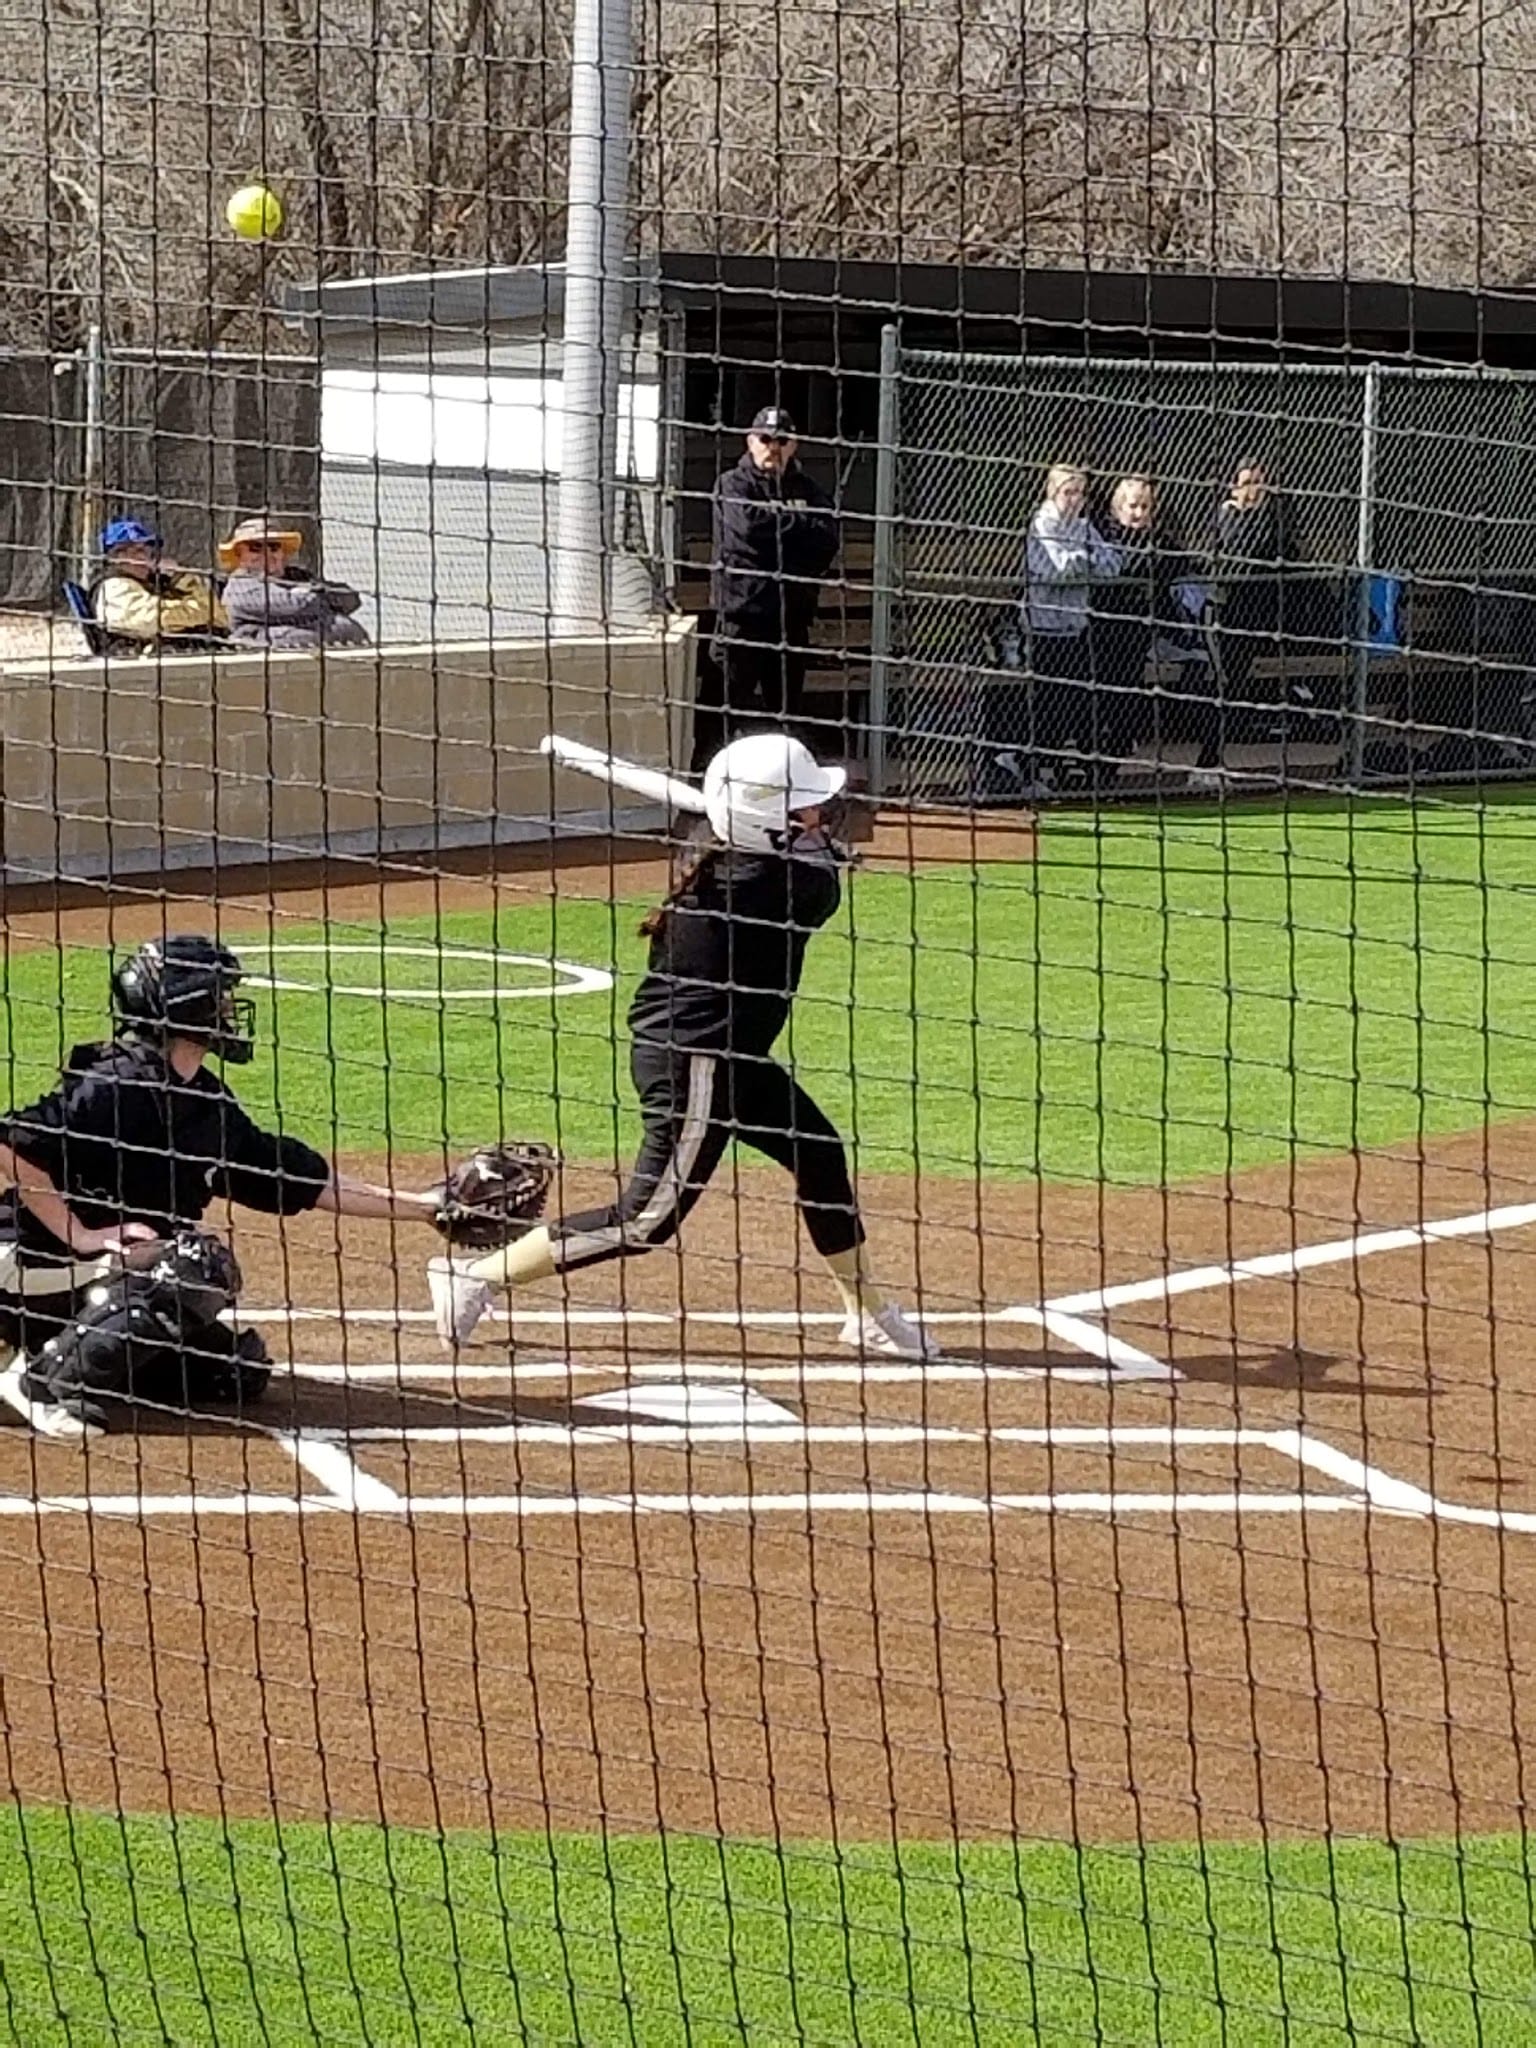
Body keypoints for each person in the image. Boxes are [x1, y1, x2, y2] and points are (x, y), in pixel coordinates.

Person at [429, 732, 938, 1362]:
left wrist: (803, 842)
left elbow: (794, 854)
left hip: (730, 1054)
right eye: (804, 809)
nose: (819, 816)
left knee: (818, 1154)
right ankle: (475, 1276)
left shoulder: (718, 850)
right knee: (646, 1221)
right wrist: (822, 853)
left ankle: (866, 1312)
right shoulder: (778, 886)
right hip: (696, 1061)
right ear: (766, 826)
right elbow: (819, 885)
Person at [0, 935, 443, 1440]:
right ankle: (40, 1383)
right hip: (26, 1264)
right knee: (193, 1268)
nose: (230, 1007)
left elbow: (303, 1180)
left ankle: (39, 1347)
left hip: (88, 1278)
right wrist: (79, 1233)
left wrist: (426, 1207)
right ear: (187, 1006)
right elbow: (11, 1141)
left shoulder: (207, 1104)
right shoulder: (116, 1083)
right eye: (221, 995)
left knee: (231, 1370)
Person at [983, 465, 1120, 800]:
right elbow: (1054, 569)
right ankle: (1018, 761)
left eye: (1080, 493)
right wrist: (1086, 561)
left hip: (1076, 627)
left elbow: (1113, 566)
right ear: (1052, 492)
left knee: (1071, 705)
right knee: (1046, 703)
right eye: (1068, 492)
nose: (1074, 500)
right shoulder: (1041, 525)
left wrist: (1079, 560)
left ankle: (1033, 765)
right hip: (1043, 629)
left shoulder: (1084, 527)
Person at [710, 407, 839, 735]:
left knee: (786, 719)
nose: (773, 447)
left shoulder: (809, 489)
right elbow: (746, 533)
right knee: (722, 717)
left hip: (790, 621)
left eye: (781, 440)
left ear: (793, 444)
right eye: (765, 439)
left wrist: (774, 532)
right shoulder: (732, 484)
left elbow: (826, 541)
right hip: (742, 619)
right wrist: (800, 527)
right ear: (750, 441)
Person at [1194, 458, 1292, 783]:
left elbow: (1266, 548)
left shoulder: (1272, 518)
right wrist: (1238, 513)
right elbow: (1238, 552)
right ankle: (1204, 763)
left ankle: (1212, 760)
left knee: (1235, 687)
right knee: (1219, 683)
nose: (1253, 490)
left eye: (1259, 483)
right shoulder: (1224, 516)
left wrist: (1260, 511)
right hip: (1220, 610)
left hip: (1251, 614)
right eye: (1247, 482)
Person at [1093, 476, 1188, 786]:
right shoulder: (1104, 537)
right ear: (1118, 507)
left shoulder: (1159, 541)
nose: (1139, 513)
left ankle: (1108, 767)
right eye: (1133, 506)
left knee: (1128, 701)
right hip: (1103, 633)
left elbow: (1184, 567)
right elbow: (1122, 570)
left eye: (1145, 507)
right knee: (1100, 699)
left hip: (1141, 636)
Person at [219, 517, 369, 650]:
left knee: (345, 628)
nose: (267, 554)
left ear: (283, 553)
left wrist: (312, 597)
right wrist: (320, 600)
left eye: (273, 547)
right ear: (239, 555)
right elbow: (295, 605)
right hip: (264, 657)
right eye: (255, 548)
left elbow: (350, 598)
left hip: (317, 652)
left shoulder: (297, 576)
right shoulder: (240, 586)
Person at [91, 518, 227, 655]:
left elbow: (219, 616)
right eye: (133, 552)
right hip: (137, 662)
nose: (142, 557)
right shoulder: (113, 587)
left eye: (145, 551)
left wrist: (180, 577)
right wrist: (200, 612)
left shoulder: (162, 582)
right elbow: (155, 620)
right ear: (114, 558)